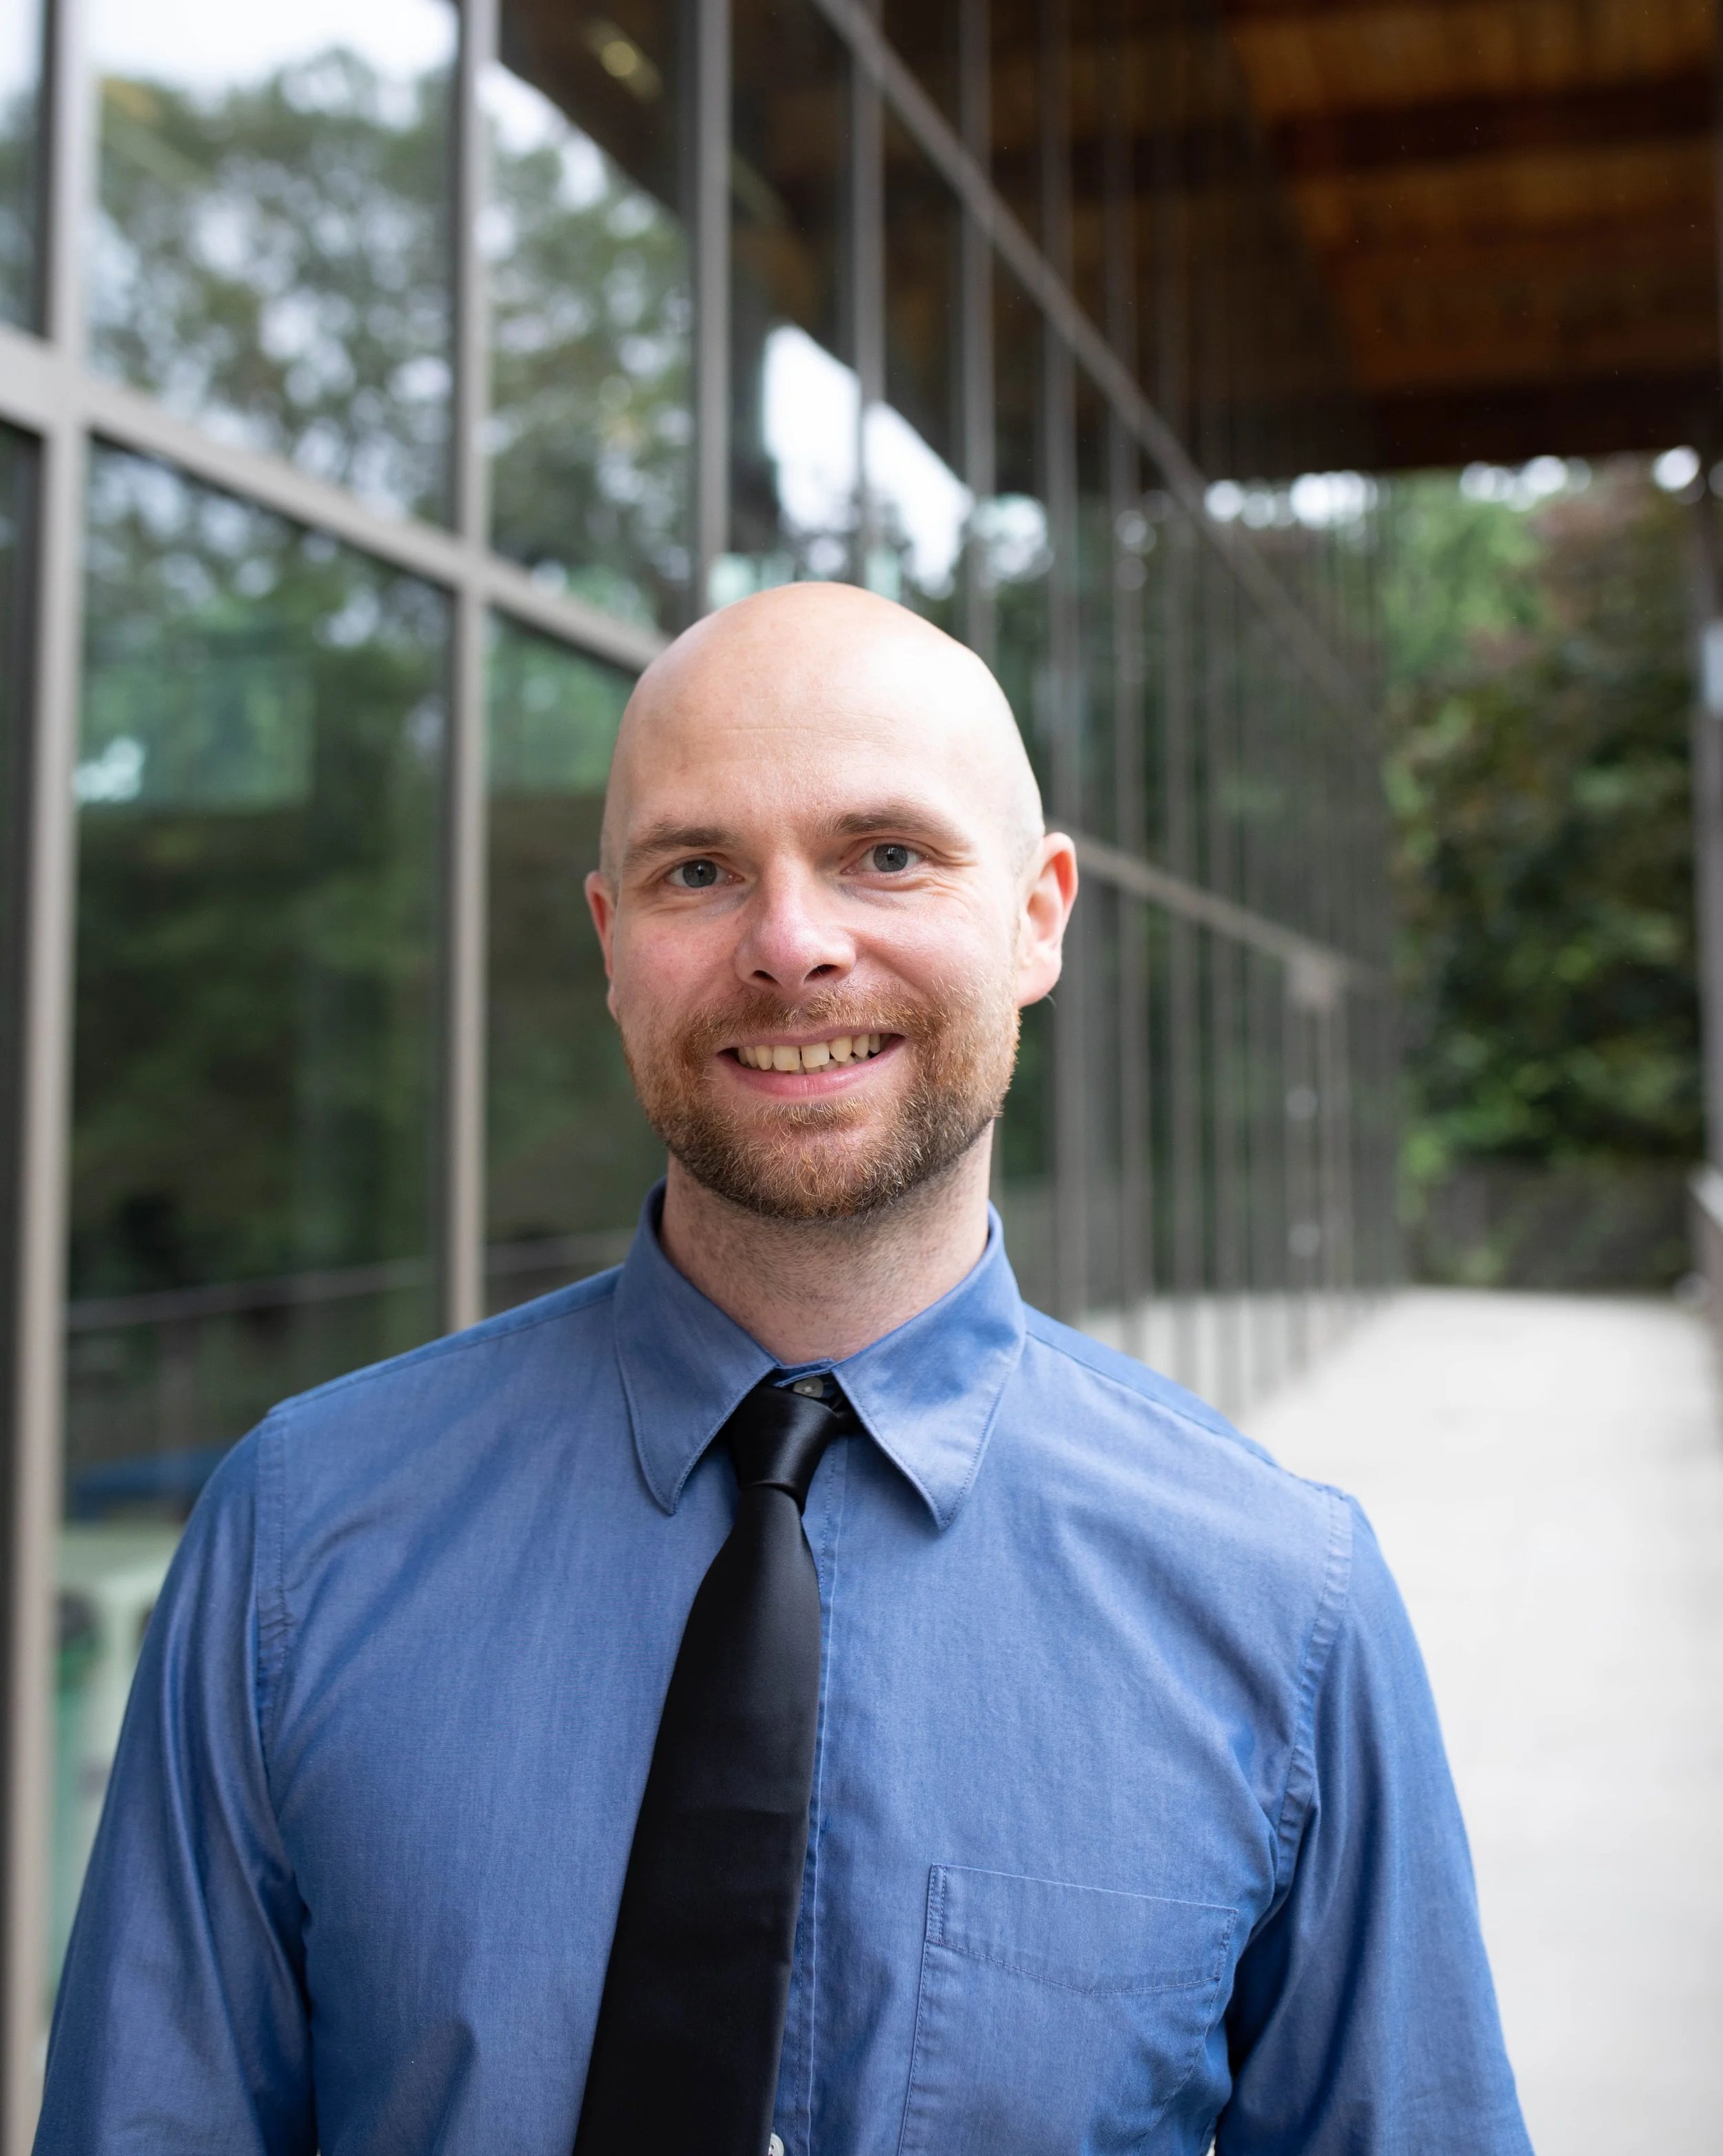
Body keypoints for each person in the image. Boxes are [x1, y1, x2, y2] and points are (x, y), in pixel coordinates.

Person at [37, 584, 1531, 2155]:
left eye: (885, 852)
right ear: (612, 942)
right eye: (700, 870)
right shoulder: (299, 1539)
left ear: (1036, 915)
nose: (792, 945)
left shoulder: (1282, 1605)